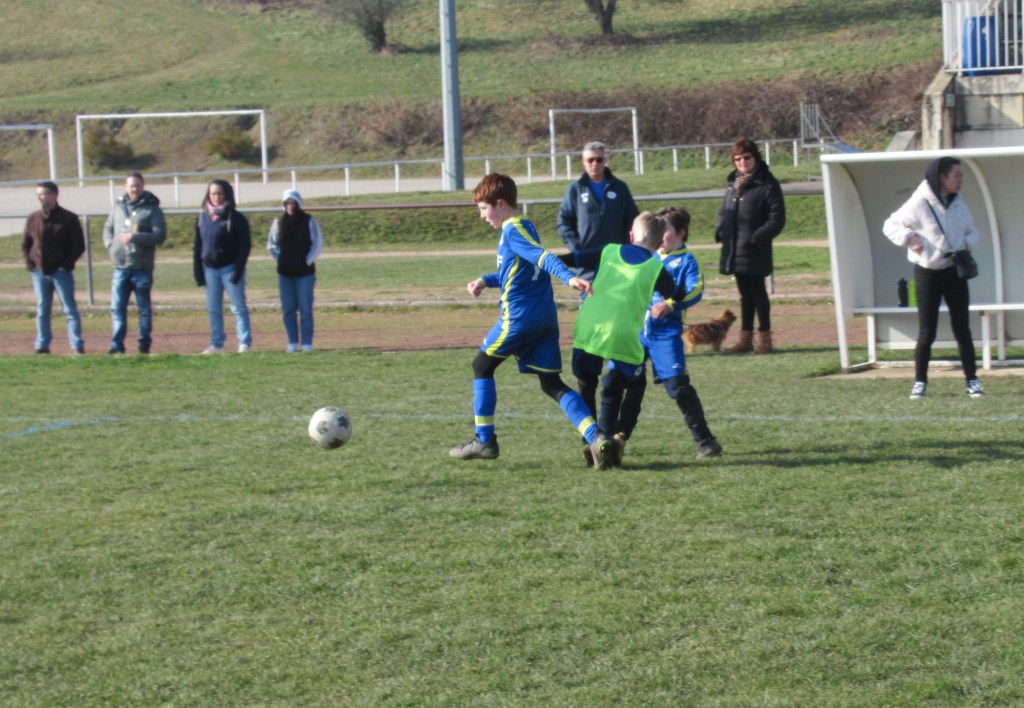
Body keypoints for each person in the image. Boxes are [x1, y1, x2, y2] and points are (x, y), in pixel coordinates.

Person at [448, 172, 612, 469]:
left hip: (520, 318)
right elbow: (517, 270)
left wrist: (569, 278)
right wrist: (484, 280)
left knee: (482, 366)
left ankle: (484, 440)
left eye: (484, 209)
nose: (482, 216)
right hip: (544, 319)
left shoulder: (512, 230)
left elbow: (542, 258)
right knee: (551, 383)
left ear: (500, 204)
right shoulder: (525, 226)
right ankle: (596, 437)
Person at [564, 210, 721, 466]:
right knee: (613, 383)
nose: (663, 236)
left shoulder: (686, 261)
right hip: (634, 331)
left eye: (667, 230)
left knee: (677, 386)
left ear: (680, 234)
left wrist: (671, 304)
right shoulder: (648, 256)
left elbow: (695, 290)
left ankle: (705, 441)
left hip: (664, 333)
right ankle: (605, 443)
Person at [882, 157, 983, 399]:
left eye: (961, 174)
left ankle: (972, 380)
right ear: (941, 177)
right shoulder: (919, 202)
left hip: (954, 272)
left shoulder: (959, 204)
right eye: (956, 174)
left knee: (962, 329)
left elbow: (972, 231)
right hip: (927, 273)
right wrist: (910, 238)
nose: (961, 180)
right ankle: (920, 382)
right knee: (927, 332)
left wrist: (966, 244)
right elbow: (890, 225)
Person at [716, 137, 786, 354]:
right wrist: (720, 230)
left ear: (755, 158)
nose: (742, 162)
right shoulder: (733, 185)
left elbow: (777, 219)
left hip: (755, 249)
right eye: (737, 159)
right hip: (735, 249)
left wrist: (756, 237)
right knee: (745, 295)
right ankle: (745, 340)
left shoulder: (767, 184)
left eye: (746, 157)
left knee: (758, 294)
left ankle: (765, 339)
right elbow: (724, 211)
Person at [557, 140, 640, 299]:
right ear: (583, 161)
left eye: (599, 159)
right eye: (590, 160)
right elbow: (564, 222)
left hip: (617, 261)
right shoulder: (575, 190)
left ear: (605, 161)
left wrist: (626, 248)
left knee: (616, 304)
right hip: (587, 265)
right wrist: (576, 248)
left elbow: (633, 221)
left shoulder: (620, 188)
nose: (595, 164)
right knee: (589, 304)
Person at [102, 172, 166, 355]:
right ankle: (117, 345)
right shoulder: (118, 207)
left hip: (141, 268)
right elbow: (107, 228)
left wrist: (135, 237)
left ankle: (144, 344)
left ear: (143, 186)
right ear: (126, 186)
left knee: (144, 309)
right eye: (131, 185)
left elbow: (159, 235)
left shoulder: (152, 209)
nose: (135, 189)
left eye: (138, 185)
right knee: (117, 308)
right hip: (120, 267)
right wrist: (110, 245)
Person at [21, 181, 86, 355]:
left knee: (69, 309)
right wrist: (31, 264)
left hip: (60, 273)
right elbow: (26, 243)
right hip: (39, 272)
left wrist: (66, 265)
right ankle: (42, 345)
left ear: (54, 195)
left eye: (42, 194)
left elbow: (78, 245)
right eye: (37, 195)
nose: (39, 198)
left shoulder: (68, 218)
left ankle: (76, 345)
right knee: (42, 310)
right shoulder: (33, 218)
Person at [193, 179, 253, 354]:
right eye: (213, 193)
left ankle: (244, 343)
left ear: (226, 194)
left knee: (238, 307)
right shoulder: (202, 217)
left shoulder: (236, 218)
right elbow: (198, 245)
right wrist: (198, 270)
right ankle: (217, 344)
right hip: (210, 270)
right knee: (214, 309)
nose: (216, 197)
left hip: (230, 268)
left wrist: (238, 269)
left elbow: (245, 245)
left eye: (220, 193)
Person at [268, 189, 322, 353]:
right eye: (287, 203)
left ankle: (306, 343)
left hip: (305, 274)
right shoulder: (278, 222)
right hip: (285, 274)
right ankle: (292, 342)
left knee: (305, 309)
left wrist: (306, 261)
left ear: (299, 204)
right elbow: (271, 245)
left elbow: (317, 244)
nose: (290, 206)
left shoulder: (309, 221)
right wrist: (281, 260)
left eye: (293, 203)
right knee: (288, 309)